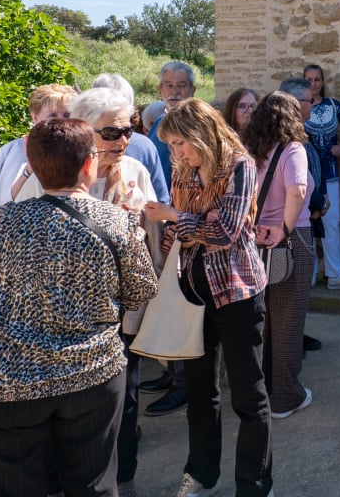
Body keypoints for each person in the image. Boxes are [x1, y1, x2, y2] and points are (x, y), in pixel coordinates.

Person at [0, 118, 157, 497]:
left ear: (32, 166)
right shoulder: (118, 221)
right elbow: (140, 291)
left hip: (3, 382)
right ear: (88, 164)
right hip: (91, 373)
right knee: (92, 485)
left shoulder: (8, 219)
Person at [13, 87, 162, 497]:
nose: (123, 140)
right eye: (111, 132)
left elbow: (150, 240)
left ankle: (123, 478)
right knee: (64, 405)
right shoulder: (41, 175)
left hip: (122, 310)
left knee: (124, 399)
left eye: (128, 129)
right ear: (83, 132)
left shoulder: (134, 171)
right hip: (58, 316)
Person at [144, 98, 275, 497]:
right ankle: (202, 474)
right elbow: (184, 235)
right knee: (200, 393)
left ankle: (254, 485)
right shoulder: (184, 169)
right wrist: (193, 223)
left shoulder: (240, 165)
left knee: (249, 396)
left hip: (237, 293)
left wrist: (176, 218)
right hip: (191, 292)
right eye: (171, 146)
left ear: (202, 133)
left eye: (180, 143)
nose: (175, 153)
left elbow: (226, 234)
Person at [241, 91, 316, 420]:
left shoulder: (252, 152)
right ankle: (285, 397)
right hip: (290, 239)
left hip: (255, 239)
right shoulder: (293, 149)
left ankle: (260, 391)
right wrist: (284, 229)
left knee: (263, 320)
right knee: (288, 321)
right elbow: (298, 189)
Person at [0, 83, 77, 273]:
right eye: (53, 115)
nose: (61, 121)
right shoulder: (12, 151)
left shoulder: (80, 152)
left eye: (67, 115)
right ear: (35, 116)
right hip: (17, 249)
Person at [141, 61, 196, 417]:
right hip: (161, 225)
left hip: (185, 226)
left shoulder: (197, 123)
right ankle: (170, 371)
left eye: (181, 85)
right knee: (162, 303)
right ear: (159, 90)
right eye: (168, 85)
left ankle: (184, 383)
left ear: (192, 90)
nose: (174, 90)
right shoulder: (159, 124)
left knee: (180, 307)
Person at [278, 77, 329, 353]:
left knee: (298, 289)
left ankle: (296, 334)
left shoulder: (299, 133)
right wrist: (313, 205)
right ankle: (288, 346)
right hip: (293, 225)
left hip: (306, 218)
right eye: (310, 100)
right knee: (290, 289)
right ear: (295, 104)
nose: (313, 104)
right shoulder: (286, 139)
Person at [303, 63, 340, 290]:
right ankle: (307, 273)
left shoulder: (333, 106)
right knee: (304, 222)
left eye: (317, 79)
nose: (313, 84)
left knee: (331, 223)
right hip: (305, 174)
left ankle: (335, 274)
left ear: (323, 82)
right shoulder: (299, 107)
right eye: (309, 79)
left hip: (329, 174)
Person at [92, 73, 170, 204]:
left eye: (128, 132)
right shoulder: (68, 165)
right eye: (110, 132)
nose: (124, 141)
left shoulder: (141, 155)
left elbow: (159, 208)